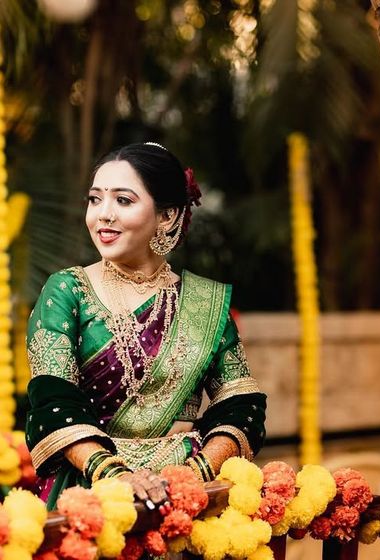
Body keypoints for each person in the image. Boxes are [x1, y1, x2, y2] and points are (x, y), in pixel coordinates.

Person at [25, 142, 267, 511]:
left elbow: (241, 404)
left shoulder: (204, 301)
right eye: (95, 199)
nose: (103, 215)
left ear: (167, 215)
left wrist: (195, 473)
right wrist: (116, 476)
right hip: (94, 491)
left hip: (188, 492)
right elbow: (54, 402)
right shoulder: (67, 291)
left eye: (123, 200)